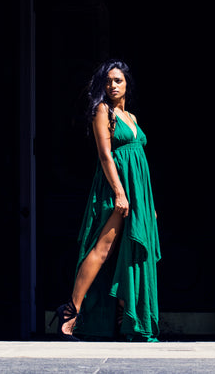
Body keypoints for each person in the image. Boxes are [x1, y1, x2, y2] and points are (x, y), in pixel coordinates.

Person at [55, 60, 161, 341]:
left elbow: (139, 160)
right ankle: (70, 311)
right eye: (108, 81)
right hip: (117, 188)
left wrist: (147, 206)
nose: (113, 85)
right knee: (103, 249)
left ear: (127, 84)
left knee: (131, 253)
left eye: (118, 80)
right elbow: (105, 155)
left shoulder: (132, 117)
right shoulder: (103, 111)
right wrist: (119, 193)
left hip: (139, 192)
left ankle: (130, 319)